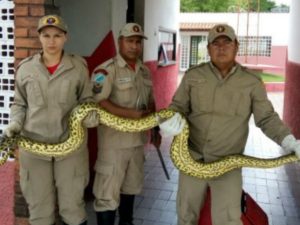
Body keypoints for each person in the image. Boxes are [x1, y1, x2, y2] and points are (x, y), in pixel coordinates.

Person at [159, 24, 300, 225]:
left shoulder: (251, 81)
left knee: (228, 220)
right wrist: (169, 120)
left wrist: (290, 142)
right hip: (192, 158)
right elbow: (177, 107)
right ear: (208, 49)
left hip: (228, 163)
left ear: (236, 46)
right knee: (186, 216)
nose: (221, 47)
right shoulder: (193, 76)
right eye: (215, 43)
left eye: (227, 42)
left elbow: (267, 118)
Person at [4, 15, 99, 225]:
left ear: (66, 37)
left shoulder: (78, 67)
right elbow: (19, 104)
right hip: (34, 148)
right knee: (39, 212)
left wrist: (91, 115)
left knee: (72, 209)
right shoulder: (26, 68)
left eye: (57, 35)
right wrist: (15, 123)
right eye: (46, 35)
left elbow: (87, 100)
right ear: (39, 37)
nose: (51, 41)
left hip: (71, 149)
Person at [91, 22, 160, 225]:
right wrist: (128, 114)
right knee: (107, 197)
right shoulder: (105, 70)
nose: (134, 46)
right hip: (114, 146)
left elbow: (151, 101)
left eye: (138, 42)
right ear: (120, 42)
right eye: (130, 41)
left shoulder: (145, 71)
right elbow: (97, 101)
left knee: (130, 190)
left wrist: (155, 129)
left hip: (137, 143)